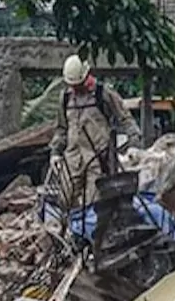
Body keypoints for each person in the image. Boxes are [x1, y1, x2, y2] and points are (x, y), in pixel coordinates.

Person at [49, 54, 141, 208]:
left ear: (86, 76)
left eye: (78, 84)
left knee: (94, 204)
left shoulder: (103, 94)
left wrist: (133, 144)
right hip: (73, 159)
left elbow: (126, 119)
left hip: (99, 160)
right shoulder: (65, 98)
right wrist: (55, 152)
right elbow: (62, 129)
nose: (75, 88)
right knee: (65, 199)